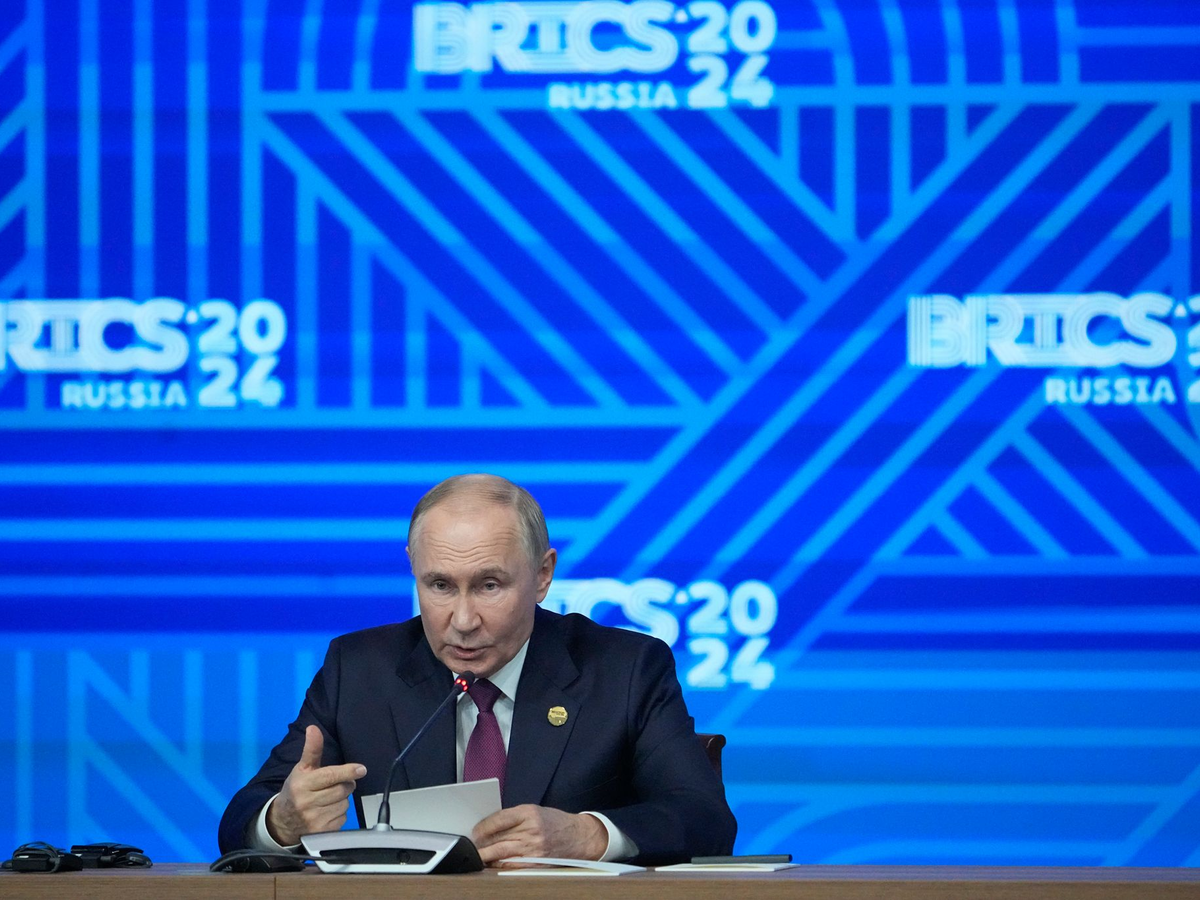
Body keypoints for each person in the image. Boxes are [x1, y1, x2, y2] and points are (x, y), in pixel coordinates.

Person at [218, 474, 736, 865]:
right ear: (413, 569)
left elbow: (705, 818)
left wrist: (588, 835)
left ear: (542, 575)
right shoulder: (359, 671)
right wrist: (282, 821)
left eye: (490, 585)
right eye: (440, 586)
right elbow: (242, 820)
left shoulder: (625, 670)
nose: (463, 621)